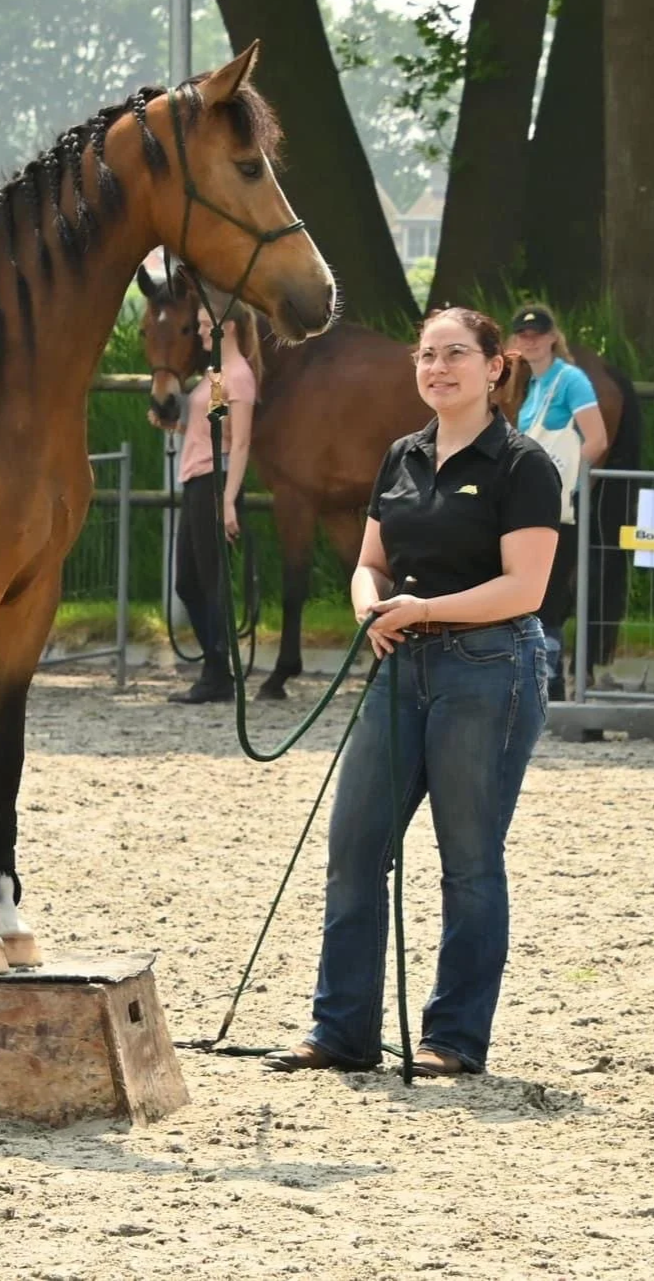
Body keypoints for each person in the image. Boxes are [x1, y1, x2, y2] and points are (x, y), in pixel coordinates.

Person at [263, 308, 560, 1078]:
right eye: (427, 356)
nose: (438, 368)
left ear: (495, 367)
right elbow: (372, 560)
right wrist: (368, 602)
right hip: (402, 667)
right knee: (354, 848)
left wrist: (422, 610)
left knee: (468, 860)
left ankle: (454, 1039)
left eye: (456, 354)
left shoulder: (522, 464)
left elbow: (523, 588)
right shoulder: (401, 455)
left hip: (489, 667)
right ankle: (343, 1031)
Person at [158, 300, 260, 704]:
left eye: (204, 325)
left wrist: (229, 499)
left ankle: (217, 672)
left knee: (210, 580)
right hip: (197, 479)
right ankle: (217, 667)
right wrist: (177, 424)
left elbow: (241, 443)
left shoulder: (239, 377)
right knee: (189, 581)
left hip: (214, 483)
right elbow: (215, 428)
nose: (200, 332)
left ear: (228, 328)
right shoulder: (217, 374)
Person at [510, 304, 608, 701]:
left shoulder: (571, 380)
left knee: (549, 592)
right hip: (533, 504)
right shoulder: (530, 388)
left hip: (561, 504)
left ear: (553, 337)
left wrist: (567, 480)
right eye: (523, 334)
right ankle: (537, 673)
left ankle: (550, 679)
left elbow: (596, 438)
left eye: (538, 333)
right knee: (531, 588)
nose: (530, 340)